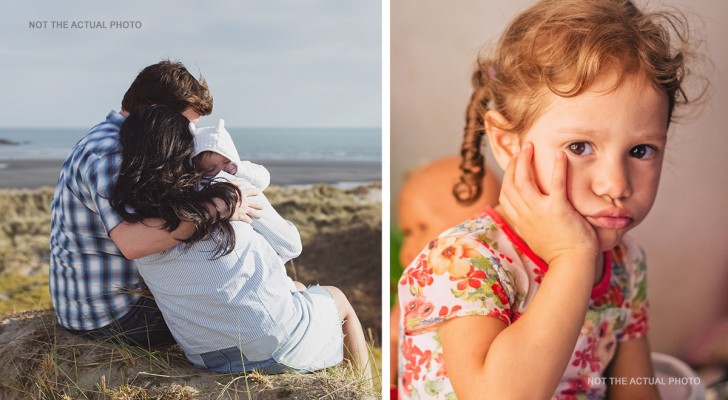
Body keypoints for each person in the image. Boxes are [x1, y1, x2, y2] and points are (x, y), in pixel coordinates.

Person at [397, 0, 698, 398]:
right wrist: (573, 258)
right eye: (579, 146)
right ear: (506, 144)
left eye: (641, 151)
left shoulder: (627, 262)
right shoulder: (464, 260)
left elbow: (633, 389)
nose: (615, 184)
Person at [110, 105, 372, 382]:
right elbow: (290, 247)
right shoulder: (226, 190)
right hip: (270, 344)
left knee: (295, 289)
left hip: (203, 355)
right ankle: (366, 389)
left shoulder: (131, 216)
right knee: (337, 298)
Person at [49, 60, 260, 347]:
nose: (189, 134)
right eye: (185, 123)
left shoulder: (114, 140)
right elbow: (133, 242)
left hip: (94, 307)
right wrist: (216, 208)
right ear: (152, 108)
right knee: (250, 316)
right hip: (115, 316)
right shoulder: (112, 152)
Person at [391, 158, 500, 393]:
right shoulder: (418, 291)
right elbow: (392, 337)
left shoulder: (499, 281)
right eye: (407, 233)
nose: (406, 248)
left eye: (419, 228)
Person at [190, 119, 271, 190]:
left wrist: (241, 171)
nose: (221, 170)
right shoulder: (199, 185)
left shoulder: (242, 169)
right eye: (211, 169)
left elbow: (264, 179)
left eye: (226, 162)